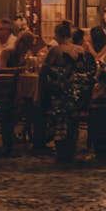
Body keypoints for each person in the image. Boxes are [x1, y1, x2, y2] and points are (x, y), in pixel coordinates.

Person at [38, 20, 96, 160]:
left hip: (60, 93)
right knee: (72, 120)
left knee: (39, 105)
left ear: (57, 35)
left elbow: (44, 71)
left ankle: (42, 141)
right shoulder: (80, 49)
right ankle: (71, 144)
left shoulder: (55, 50)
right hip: (79, 94)